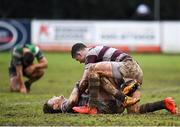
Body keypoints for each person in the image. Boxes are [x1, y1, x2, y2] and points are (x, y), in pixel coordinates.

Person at [70, 43, 177, 114]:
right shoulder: (98, 56)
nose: (79, 62)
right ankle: (165, 103)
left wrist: (77, 94)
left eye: (77, 59)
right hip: (136, 74)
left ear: (79, 54)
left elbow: (86, 77)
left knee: (92, 70)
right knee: (134, 111)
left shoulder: (91, 53)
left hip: (129, 67)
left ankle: (91, 107)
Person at [43, 80, 177, 114]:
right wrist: (78, 86)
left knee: (134, 112)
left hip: (110, 105)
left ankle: (164, 103)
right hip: (106, 103)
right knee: (93, 82)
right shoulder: (67, 107)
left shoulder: (70, 107)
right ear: (55, 106)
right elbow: (77, 90)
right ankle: (123, 92)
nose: (55, 96)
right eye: (52, 99)